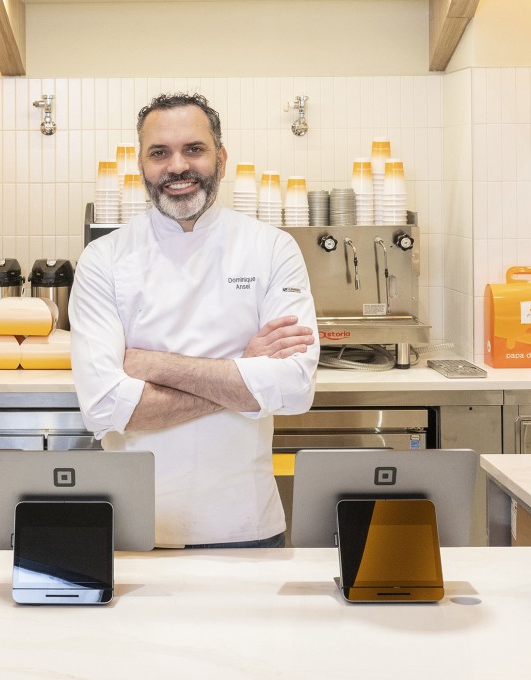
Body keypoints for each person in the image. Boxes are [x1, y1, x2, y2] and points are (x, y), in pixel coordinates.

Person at [69, 93, 319, 548]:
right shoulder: (103, 259)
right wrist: (243, 373)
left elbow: (295, 388)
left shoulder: (272, 248)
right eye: (159, 153)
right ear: (142, 165)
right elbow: (104, 408)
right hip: (132, 525)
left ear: (220, 159)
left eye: (194, 149)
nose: (177, 166)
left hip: (245, 524)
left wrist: (151, 365)